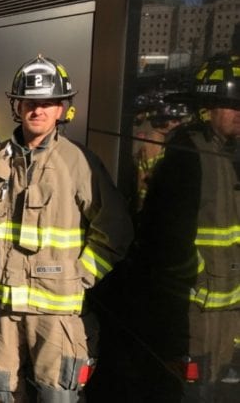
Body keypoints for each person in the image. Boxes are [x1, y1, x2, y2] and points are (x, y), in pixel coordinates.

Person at [0, 55, 133, 402]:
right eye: (30, 102)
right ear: (17, 106)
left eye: (47, 104)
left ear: (61, 109)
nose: (37, 111)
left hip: (56, 318)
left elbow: (115, 229)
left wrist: (81, 275)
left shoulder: (79, 164)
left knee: (57, 396)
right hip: (2, 311)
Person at [138, 53, 240, 402]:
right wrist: (192, 279)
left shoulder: (230, 152)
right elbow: (162, 233)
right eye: (231, 105)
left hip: (226, 316)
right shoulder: (190, 152)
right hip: (193, 315)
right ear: (208, 106)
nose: (239, 113)